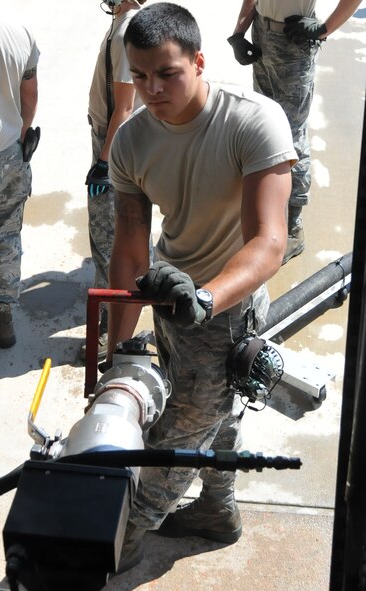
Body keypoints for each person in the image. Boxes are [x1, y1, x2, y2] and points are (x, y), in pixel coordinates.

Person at [103, 2, 297, 572]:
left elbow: (269, 241)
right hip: (170, 292)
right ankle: (217, 510)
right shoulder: (131, 143)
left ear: (199, 61)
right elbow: (130, 247)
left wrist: (207, 299)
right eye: (139, 76)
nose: (152, 89)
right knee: (219, 413)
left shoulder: (254, 120)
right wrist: (118, 352)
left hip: (228, 307)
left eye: (168, 73)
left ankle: (120, 544)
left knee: (172, 440)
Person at [228, 0, 362, 264]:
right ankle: (266, 211)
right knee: (265, 125)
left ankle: (293, 226)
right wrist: (239, 32)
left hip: (295, 39)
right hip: (261, 34)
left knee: (291, 134)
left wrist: (324, 29)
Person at [81, 0, 147, 361]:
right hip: (111, 137)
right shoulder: (124, 22)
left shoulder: (126, 29)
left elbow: (124, 105)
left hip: (114, 142)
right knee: (115, 233)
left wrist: (104, 163)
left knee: (108, 236)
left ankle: (110, 327)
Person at [0, 0, 40, 348]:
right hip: (9, 156)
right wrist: (19, 137)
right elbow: (29, 94)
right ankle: (1, 317)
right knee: (3, 239)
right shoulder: (18, 26)